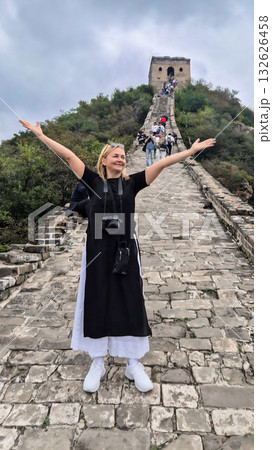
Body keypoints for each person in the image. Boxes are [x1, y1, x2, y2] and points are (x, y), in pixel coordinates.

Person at [19, 119, 216, 394]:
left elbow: (161, 164)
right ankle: (97, 361)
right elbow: (67, 155)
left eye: (124, 156)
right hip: (97, 251)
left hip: (125, 249)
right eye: (116, 156)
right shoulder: (91, 182)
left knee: (130, 299)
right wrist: (40, 135)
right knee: (98, 298)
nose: (122, 159)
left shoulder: (134, 183)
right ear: (105, 160)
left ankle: (133, 363)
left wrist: (190, 151)